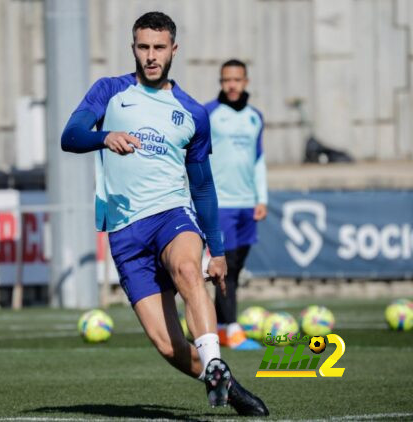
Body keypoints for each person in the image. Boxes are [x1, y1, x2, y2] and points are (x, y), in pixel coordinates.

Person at [61, 12, 268, 417]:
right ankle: (223, 379)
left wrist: (218, 249)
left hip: (171, 213)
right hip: (122, 230)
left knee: (189, 271)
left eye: (159, 47)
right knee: (166, 343)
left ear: (173, 49)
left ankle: (214, 361)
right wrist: (104, 136)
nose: (151, 56)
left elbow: (203, 186)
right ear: (133, 48)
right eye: (143, 47)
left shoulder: (192, 112)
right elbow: (70, 136)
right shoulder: (110, 91)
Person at [205, 60, 268, 350]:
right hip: (221, 204)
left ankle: (220, 326)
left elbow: (258, 160)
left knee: (236, 269)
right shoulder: (209, 114)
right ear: (220, 82)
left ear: (246, 81)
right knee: (225, 267)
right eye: (226, 80)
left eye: (237, 80)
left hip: (247, 204)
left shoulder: (255, 117)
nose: (231, 85)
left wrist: (261, 198)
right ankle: (231, 329)